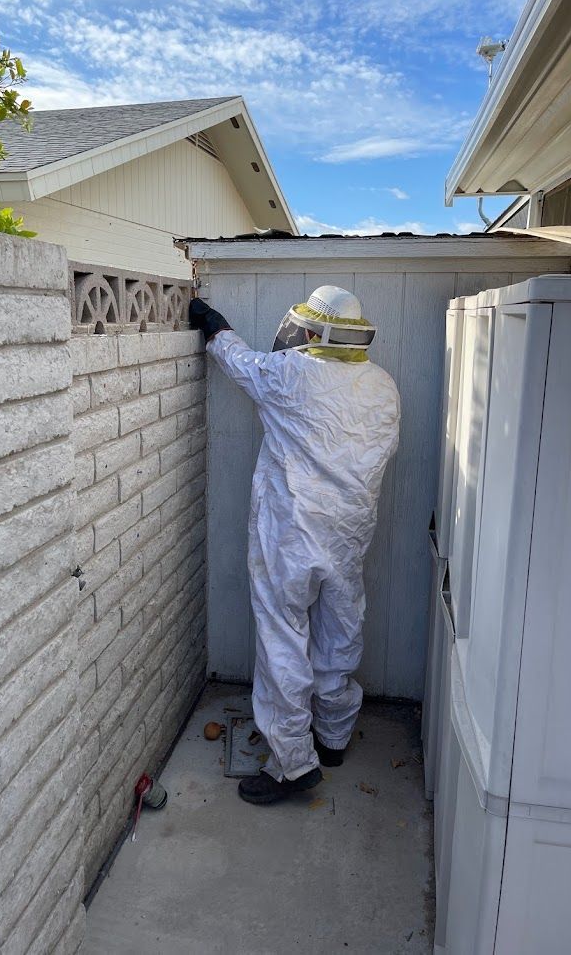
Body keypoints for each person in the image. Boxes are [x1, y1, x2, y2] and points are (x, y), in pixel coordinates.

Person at [189, 286, 400, 805]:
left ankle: (291, 764)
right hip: (349, 534)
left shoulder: (289, 374)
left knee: (283, 641)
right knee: (339, 631)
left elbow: (237, 359)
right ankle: (332, 738)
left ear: (313, 331)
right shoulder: (382, 385)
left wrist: (212, 321)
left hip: (289, 533)